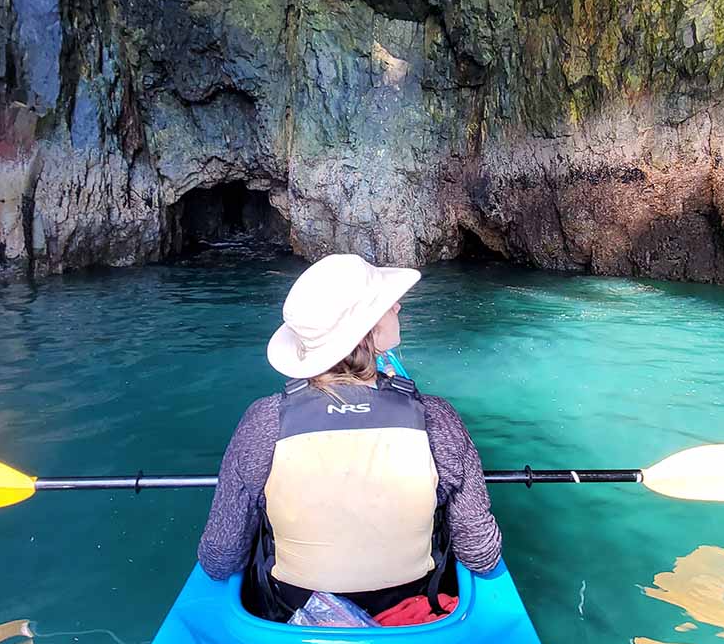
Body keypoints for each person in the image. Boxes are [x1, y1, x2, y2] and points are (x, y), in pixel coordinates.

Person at [198, 253, 502, 619]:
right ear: (369, 330)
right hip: (412, 608)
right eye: (388, 304)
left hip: (293, 611)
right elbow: (482, 555)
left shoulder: (264, 421)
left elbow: (220, 558)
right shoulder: (436, 418)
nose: (399, 305)